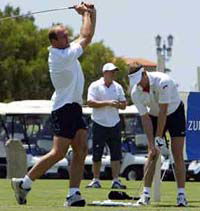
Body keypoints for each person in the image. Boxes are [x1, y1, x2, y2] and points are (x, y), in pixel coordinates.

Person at [11, 2, 96, 207]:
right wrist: (85, 14)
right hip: (63, 108)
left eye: (67, 35)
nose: (68, 37)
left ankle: (73, 194)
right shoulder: (61, 56)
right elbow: (86, 36)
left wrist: (92, 13)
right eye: (64, 36)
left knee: (81, 148)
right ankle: (25, 183)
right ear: (54, 41)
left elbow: (87, 35)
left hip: (74, 106)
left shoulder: (66, 50)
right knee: (58, 153)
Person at [128, 63, 188, 207]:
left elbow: (164, 111)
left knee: (177, 153)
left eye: (139, 80)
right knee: (152, 154)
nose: (138, 85)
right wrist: (152, 144)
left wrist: (159, 137)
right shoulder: (135, 92)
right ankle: (146, 194)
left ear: (144, 74)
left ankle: (181, 195)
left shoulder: (163, 82)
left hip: (174, 113)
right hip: (154, 115)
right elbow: (145, 118)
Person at [86, 63, 127, 189]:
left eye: (115, 71)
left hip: (114, 124)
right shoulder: (95, 85)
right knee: (97, 153)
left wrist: (118, 105)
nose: (113, 74)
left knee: (116, 154)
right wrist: (108, 103)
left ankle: (116, 180)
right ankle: (96, 180)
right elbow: (90, 102)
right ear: (104, 73)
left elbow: (124, 104)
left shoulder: (118, 87)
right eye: (111, 72)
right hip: (99, 123)